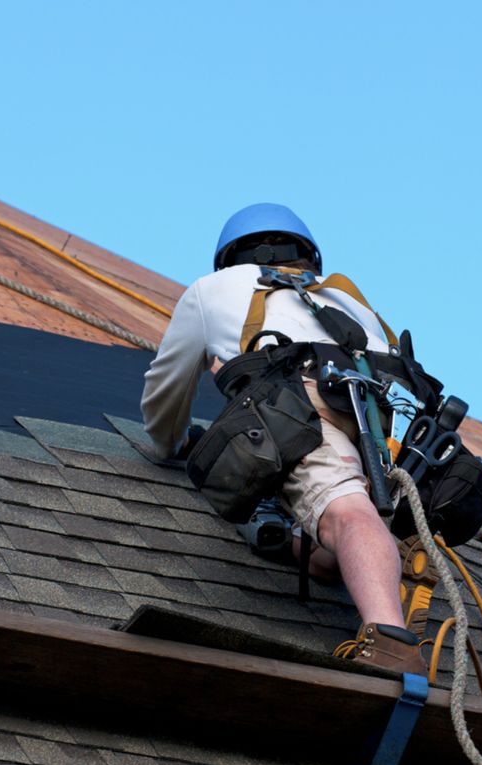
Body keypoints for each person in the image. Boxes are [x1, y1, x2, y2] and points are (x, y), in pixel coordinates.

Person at [141, 203, 426, 674]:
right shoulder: (349, 299)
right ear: (308, 255)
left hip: (303, 403)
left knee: (346, 514)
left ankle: (391, 641)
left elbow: (165, 391)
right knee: (347, 536)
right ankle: (294, 544)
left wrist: (170, 443)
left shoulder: (212, 290)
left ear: (229, 257)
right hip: (391, 424)